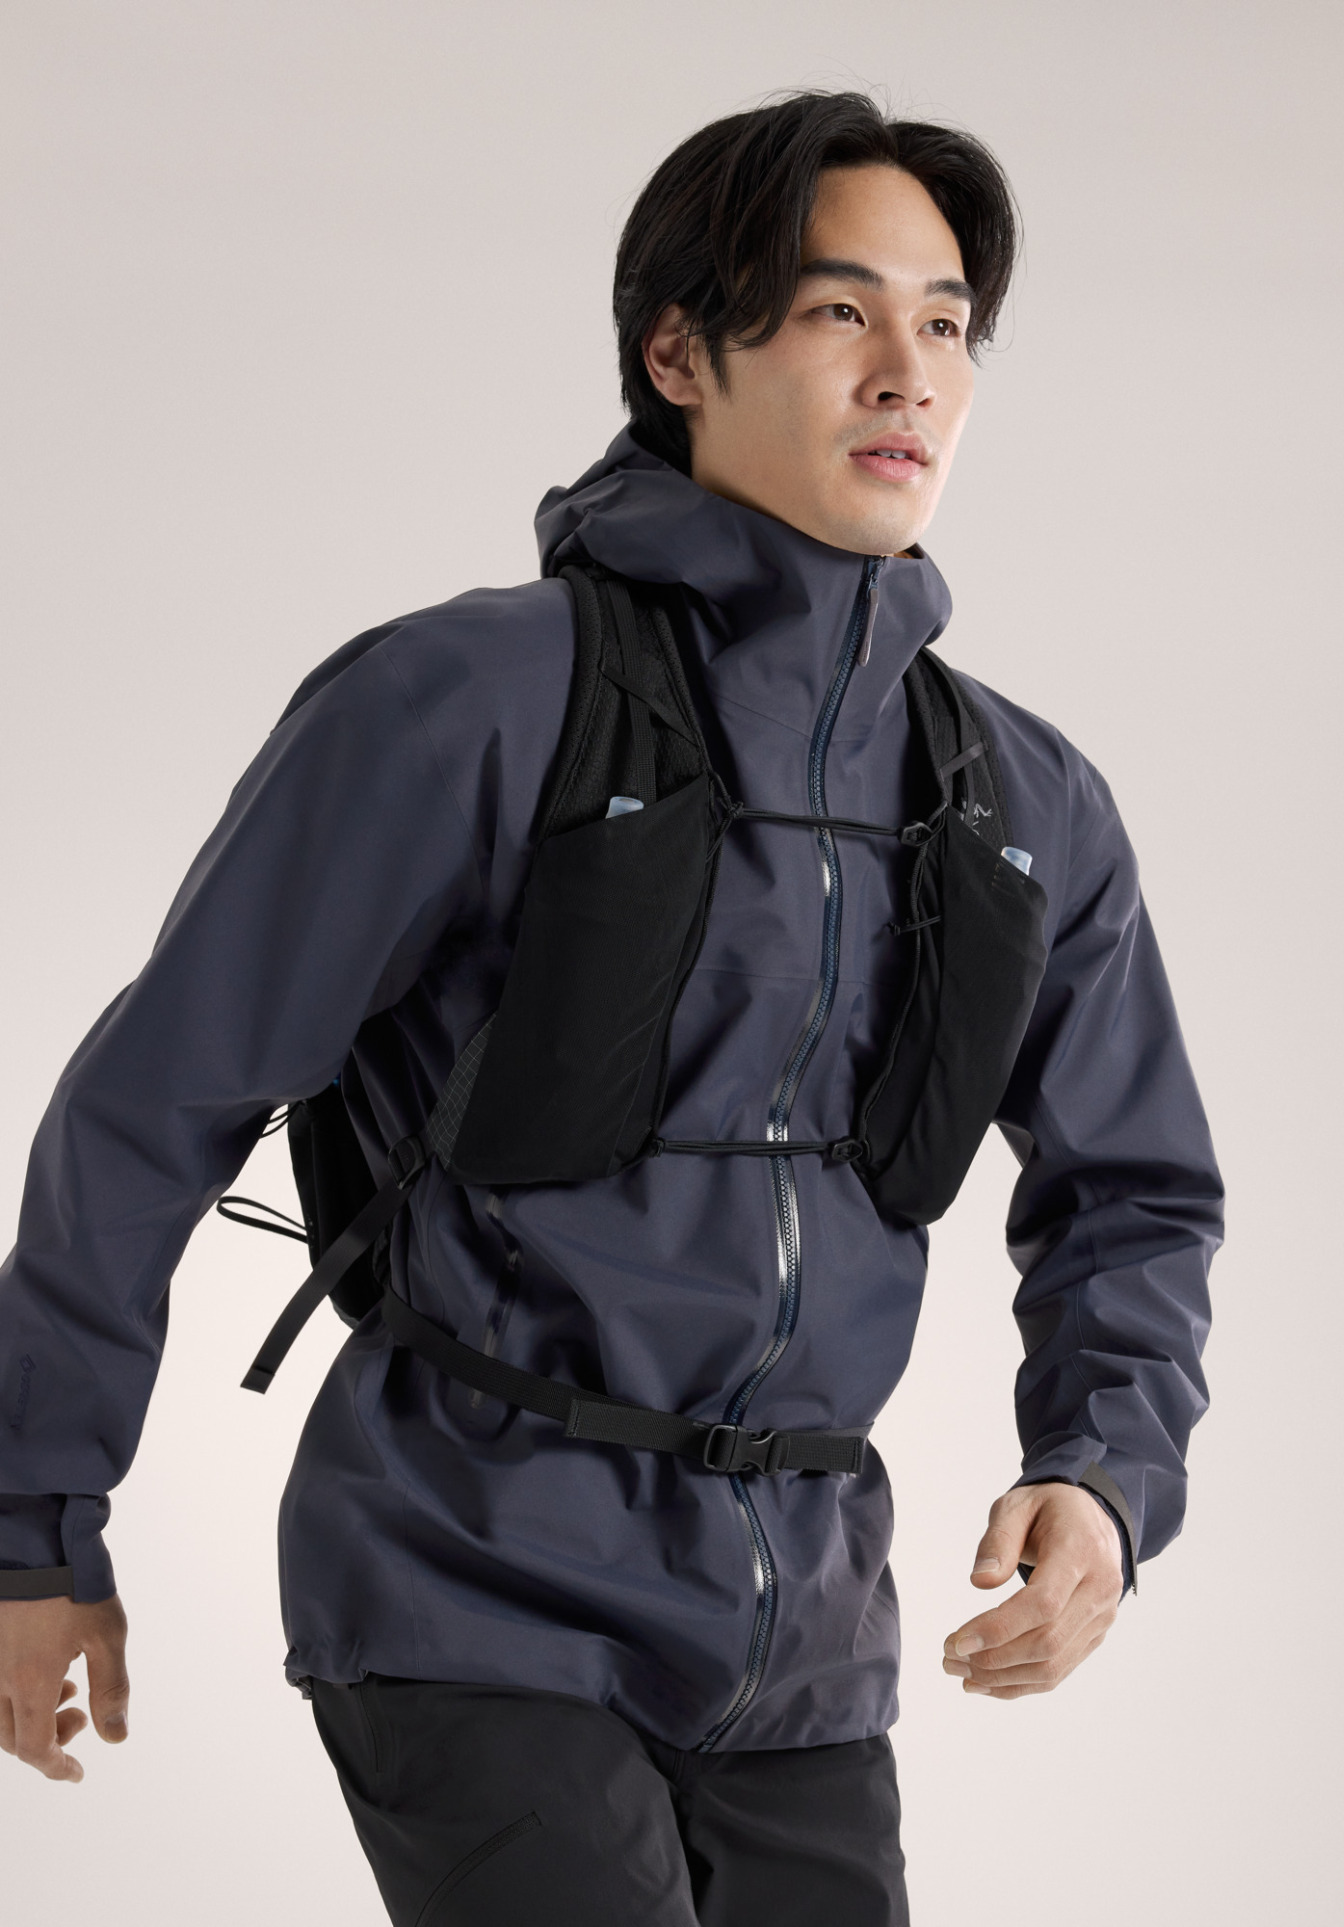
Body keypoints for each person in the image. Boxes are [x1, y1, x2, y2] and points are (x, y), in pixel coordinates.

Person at [0, 90, 1222, 1925]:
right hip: (471, 1587)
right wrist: (35, 1532)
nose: (908, 372)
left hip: (804, 1641)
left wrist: (1106, 1478)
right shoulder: (464, 701)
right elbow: (153, 1106)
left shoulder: (1019, 799)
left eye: (946, 323)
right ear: (678, 354)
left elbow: (1135, 1187)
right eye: (838, 310)